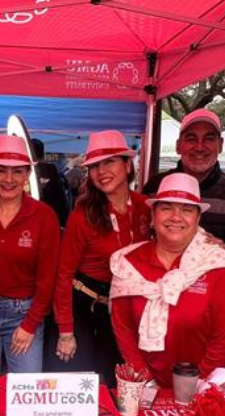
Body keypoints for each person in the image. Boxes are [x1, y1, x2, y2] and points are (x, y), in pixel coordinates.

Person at [110, 173, 225, 388]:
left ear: (198, 218)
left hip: (201, 388)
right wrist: (146, 385)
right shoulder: (126, 263)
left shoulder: (220, 266)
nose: (176, 217)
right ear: (153, 215)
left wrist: (194, 389)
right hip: (144, 388)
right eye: (166, 208)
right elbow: (124, 330)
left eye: (187, 210)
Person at [49, 130, 152, 387]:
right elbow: (64, 274)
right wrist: (66, 331)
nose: (101, 171)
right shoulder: (82, 214)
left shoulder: (145, 207)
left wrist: (206, 240)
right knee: (79, 385)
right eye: (95, 166)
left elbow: (176, 232)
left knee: (124, 382)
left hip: (127, 307)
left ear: (127, 165)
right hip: (85, 307)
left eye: (109, 162)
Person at [0, 135, 60, 388]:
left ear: (27, 174)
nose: (8, 179)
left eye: (17, 171)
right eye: (0, 170)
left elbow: (48, 278)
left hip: (24, 313)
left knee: (26, 389)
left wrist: (30, 324)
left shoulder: (44, 216)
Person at [142, 109, 225, 268]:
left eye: (209, 139)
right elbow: (142, 238)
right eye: (191, 138)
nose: (200, 147)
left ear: (220, 145)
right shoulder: (154, 188)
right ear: (178, 146)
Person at [32, 138, 70, 227]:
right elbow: (63, 205)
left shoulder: (26, 174)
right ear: (43, 154)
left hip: (35, 223)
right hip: (53, 222)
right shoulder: (54, 174)